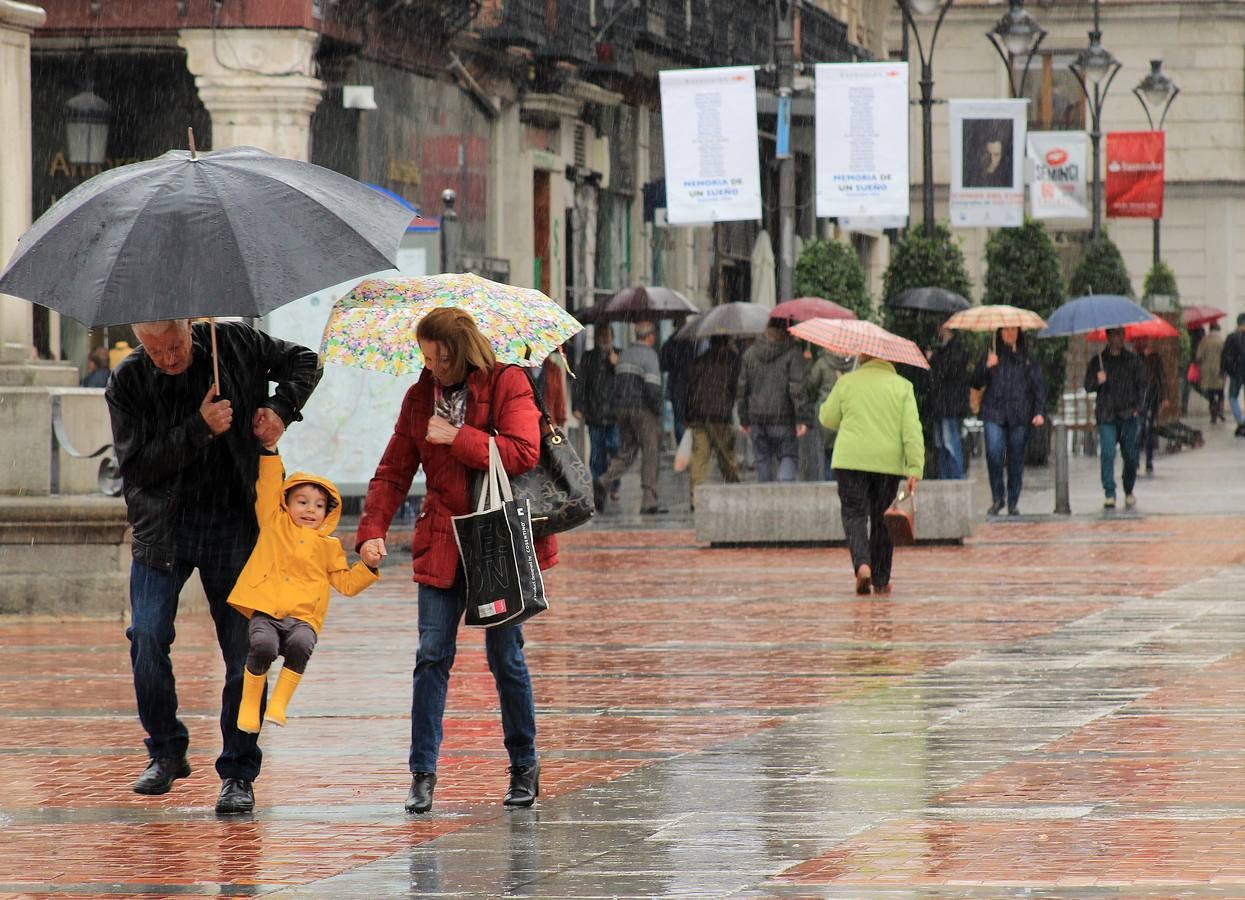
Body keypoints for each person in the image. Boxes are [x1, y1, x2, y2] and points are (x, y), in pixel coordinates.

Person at [105, 318, 321, 815]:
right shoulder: (130, 380)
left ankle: (239, 771)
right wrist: (200, 428)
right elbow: (136, 467)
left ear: (189, 325)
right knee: (147, 636)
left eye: (175, 346)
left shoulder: (236, 343)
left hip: (235, 524)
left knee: (246, 650)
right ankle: (165, 749)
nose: (168, 359)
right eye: (155, 350)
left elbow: (304, 361)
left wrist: (280, 409)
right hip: (165, 527)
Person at [355, 307, 553, 815]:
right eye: (424, 357)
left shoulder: (508, 381)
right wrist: (371, 530)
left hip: (496, 539)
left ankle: (523, 765)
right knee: (431, 656)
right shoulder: (421, 396)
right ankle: (422, 774)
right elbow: (393, 470)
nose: (429, 367)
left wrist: (457, 437)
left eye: (435, 357)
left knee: (504, 657)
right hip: (443, 538)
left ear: (457, 350)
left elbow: (523, 451)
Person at [228, 448, 380, 734]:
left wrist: (368, 566)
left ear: (328, 512)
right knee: (263, 646)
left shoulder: (329, 546)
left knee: (301, 645)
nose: (311, 510)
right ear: (286, 504)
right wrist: (270, 451)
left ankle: (278, 705)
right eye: (302, 502)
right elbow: (270, 483)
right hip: (268, 610)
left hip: (304, 618)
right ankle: (250, 704)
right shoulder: (274, 523)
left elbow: (346, 584)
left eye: (319, 505)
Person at [819, 353, 924, 596]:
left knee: (854, 514)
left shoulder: (847, 382)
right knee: (882, 520)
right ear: (891, 359)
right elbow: (912, 430)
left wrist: (840, 388)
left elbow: (827, 417)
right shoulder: (902, 386)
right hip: (887, 464)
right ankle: (881, 578)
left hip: (849, 460)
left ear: (863, 357)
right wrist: (915, 468)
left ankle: (862, 564)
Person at [970, 327, 1046, 517]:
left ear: (1019, 333)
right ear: (999, 332)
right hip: (993, 411)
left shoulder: (1027, 358)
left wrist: (1039, 411)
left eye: (1013, 330)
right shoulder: (991, 353)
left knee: (1016, 458)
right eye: (1006, 330)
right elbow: (975, 381)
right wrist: (987, 366)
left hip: (1020, 413)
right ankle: (997, 497)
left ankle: (1013, 501)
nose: (1009, 334)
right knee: (994, 453)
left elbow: (1038, 386)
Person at [597, 321, 665, 514]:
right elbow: (652, 387)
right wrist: (658, 409)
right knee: (650, 452)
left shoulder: (624, 354)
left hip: (623, 410)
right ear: (650, 336)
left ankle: (603, 481)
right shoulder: (649, 355)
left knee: (626, 453)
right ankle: (649, 500)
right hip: (643, 410)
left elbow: (617, 384)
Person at [736, 318, 810, 482]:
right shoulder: (793, 354)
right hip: (783, 417)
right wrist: (802, 418)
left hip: (757, 417)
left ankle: (765, 497)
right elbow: (797, 389)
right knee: (788, 456)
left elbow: (742, 390)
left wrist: (744, 419)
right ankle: (783, 492)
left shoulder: (749, 354)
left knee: (762, 459)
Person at [1085, 327, 1146, 510]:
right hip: (1107, 414)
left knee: (1130, 455)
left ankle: (1129, 489)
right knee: (1108, 452)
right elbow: (1088, 386)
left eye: (1120, 334)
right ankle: (1109, 492)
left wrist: (1137, 407)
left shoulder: (1133, 360)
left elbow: (1141, 385)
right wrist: (1098, 380)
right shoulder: (1099, 361)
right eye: (1113, 335)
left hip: (1128, 414)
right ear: (1108, 337)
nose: (1117, 338)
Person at [684, 336, 741, 507]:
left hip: (698, 414)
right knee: (725, 456)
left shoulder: (699, 361)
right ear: (727, 341)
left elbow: (689, 389)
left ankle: (696, 496)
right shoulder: (732, 360)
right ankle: (735, 490)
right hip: (720, 415)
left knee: (699, 457)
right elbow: (736, 388)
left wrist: (687, 415)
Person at [572, 323, 619, 508]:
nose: (605, 338)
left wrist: (617, 365)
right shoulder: (588, 357)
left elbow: (626, 383)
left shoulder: (619, 355)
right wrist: (578, 405)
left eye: (607, 334)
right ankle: (598, 488)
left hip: (615, 415)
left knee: (615, 449)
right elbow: (580, 383)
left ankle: (613, 483)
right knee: (597, 454)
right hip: (595, 414)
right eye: (602, 334)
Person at [926, 323, 970, 480]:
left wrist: (933, 360)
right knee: (941, 444)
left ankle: (956, 477)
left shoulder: (955, 350)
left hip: (949, 405)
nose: (939, 329)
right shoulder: (943, 350)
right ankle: (945, 477)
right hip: (941, 405)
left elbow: (948, 372)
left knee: (950, 442)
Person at [804, 347, 851, 480]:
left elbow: (810, 384)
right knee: (846, 456)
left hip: (827, 412)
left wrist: (808, 363)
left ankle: (829, 486)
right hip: (848, 412)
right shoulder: (854, 364)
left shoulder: (822, 363)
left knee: (828, 455)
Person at [1132, 337, 1167, 475]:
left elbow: (1161, 377)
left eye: (1144, 340)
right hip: (1137, 400)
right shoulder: (1133, 359)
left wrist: (1164, 397)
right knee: (1138, 429)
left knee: (1149, 428)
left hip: (1152, 397)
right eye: (1139, 341)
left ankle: (1149, 460)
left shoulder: (1154, 357)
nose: (1141, 343)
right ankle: (1135, 460)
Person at [1219, 313, 1245, 435]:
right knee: (1233, 396)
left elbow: (1224, 356)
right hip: (1239, 371)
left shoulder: (1232, 337)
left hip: (1236, 373)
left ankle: (1241, 420)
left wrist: (1223, 371)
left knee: (1233, 397)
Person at [1196, 321, 1226, 423]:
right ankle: (1220, 410)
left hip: (1207, 372)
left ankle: (1213, 413)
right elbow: (1226, 356)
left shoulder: (1204, 341)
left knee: (1211, 394)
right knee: (1221, 393)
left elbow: (1198, 356)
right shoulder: (1222, 341)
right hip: (1219, 371)